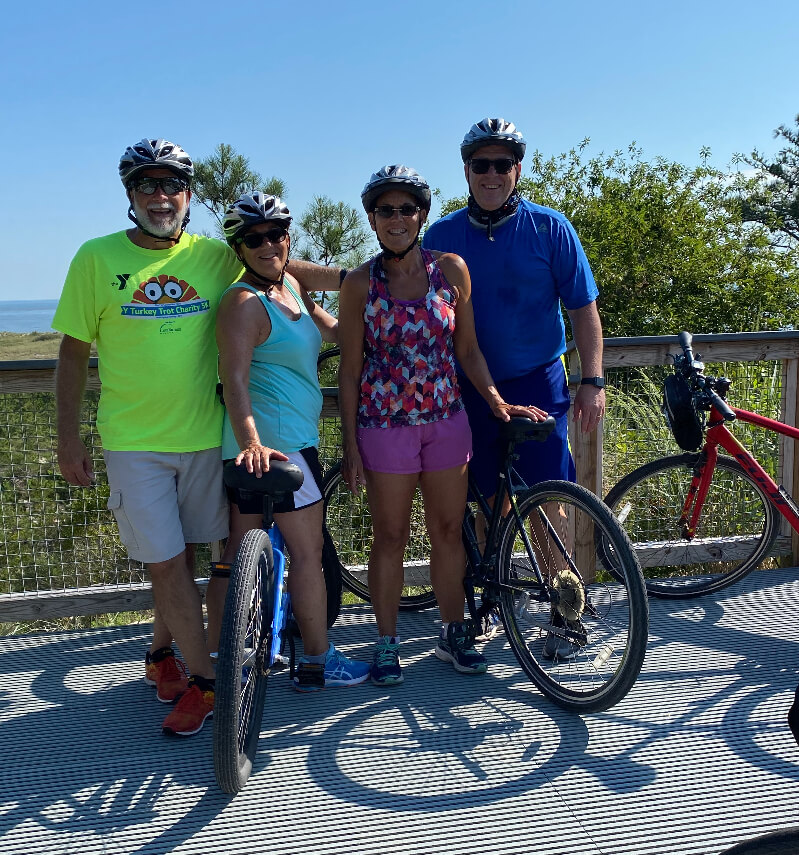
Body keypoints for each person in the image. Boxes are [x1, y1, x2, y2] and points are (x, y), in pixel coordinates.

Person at [54, 138, 243, 737]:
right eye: (147, 184)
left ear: (189, 195)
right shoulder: (95, 257)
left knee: (186, 556)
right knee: (165, 562)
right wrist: (67, 438)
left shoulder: (216, 257)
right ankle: (208, 683)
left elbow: (278, 269)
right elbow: (72, 352)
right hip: (134, 442)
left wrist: (358, 278)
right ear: (130, 194)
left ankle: (162, 654)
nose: (161, 197)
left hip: (204, 436)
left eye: (172, 185)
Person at [337, 165, 543, 686]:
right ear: (372, 218)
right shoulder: (360, 284)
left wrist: (496, 401)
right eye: (386, 210)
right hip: (385, 425)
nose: (397, 219)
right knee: (390, 536)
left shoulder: (450, 271)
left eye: (407, 209)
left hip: (447, 420)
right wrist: (350, 445)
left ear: (422, 215)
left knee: (448, 531)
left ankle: (453, 632)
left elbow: (467, 350)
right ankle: (386, 641)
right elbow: (350, 369)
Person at [213, 192, 370, 692]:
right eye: (254, 238)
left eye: (276, 234)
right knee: (307, 553)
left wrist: (380, 324)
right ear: (238, 248)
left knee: (239, 554)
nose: (268, 245)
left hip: (281, 443)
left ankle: (229, 663)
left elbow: (337, 332)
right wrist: (252, 442)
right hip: (277, 449)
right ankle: (319, 661)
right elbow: (234, 380)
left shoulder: (292, 288)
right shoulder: (243, 303)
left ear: (288, 237)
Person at [422, 118, 605, 504]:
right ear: (467, 171)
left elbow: (583, 308)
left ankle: (553, 550)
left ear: (517, 170)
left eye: (502, 164)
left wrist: (592, 382)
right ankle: (497, 548)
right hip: (469, 387)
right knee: (488, 506)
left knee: (548, 500)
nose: (491, 174)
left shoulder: (551, 228)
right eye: (481, 165)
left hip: (538, 381)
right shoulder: (440, 236)